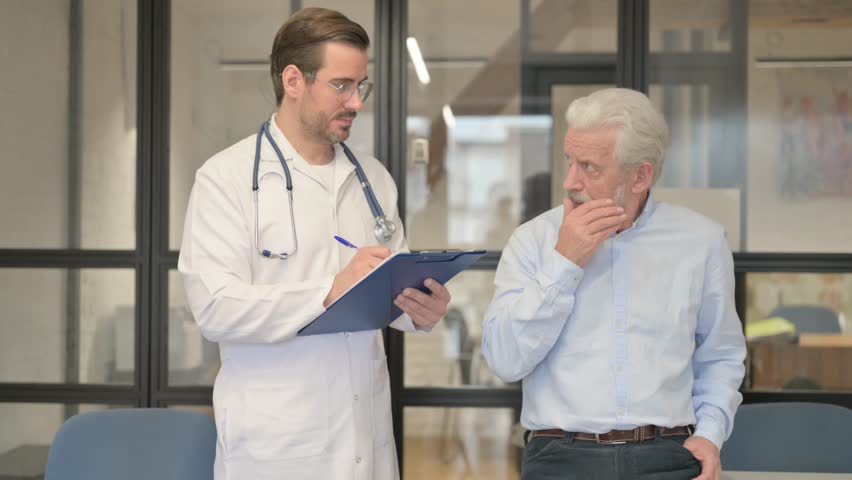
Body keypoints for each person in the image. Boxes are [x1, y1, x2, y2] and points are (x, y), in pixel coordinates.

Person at [178, 8, 450, 480]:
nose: (356, 102)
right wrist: (328, 290)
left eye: (361, 86)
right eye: (341, 85)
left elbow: (386, 287)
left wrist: (417, 308)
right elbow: (215, 308)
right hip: (276, 447)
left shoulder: (375, 180)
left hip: (366, 442)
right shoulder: (226, 179)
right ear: (293, 80)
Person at [481, 88, 746, 480]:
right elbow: (505, 361)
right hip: (560, 457)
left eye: (590, 167)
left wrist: (709, 434)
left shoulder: (701, 241)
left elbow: (721, 354)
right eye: (569, 161)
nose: (570, 180)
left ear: (640, 175)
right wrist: (564, 261)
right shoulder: (532, 241)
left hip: (667, 455)